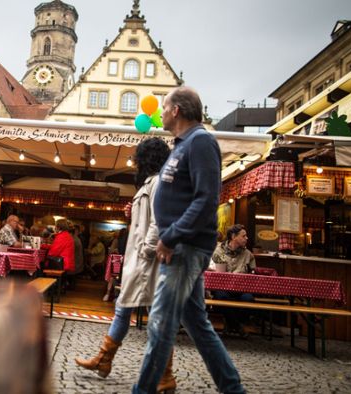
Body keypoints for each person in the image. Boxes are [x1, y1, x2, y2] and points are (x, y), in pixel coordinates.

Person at [132, 87, 245, 393]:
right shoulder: (182, 145)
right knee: (196, 323)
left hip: (185, 247)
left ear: (177, 110)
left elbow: (207, 199)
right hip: (181, 245)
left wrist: (171, 236)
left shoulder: (201, 142)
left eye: (164, 107)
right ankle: (233, 388)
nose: (161, 112)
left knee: (160, 325)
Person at [76, 137, 176, 392]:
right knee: (135, 311)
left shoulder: (156, 183)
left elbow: (158, 221)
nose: (134, 162)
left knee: (150, 315)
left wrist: (145, 251)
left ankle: (158, 374)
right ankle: (107, 360)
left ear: (146, 159)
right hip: (141, 260)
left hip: (147, 262)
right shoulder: (152, 183)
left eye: (138, 158)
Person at [211, 224, 256, 337]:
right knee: (221, 297)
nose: (246, 238)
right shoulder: (219, 252)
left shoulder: (248, 254)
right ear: (233, 236)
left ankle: (231, 324)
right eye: (243, 236)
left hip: (241, 288)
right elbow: (220, 276)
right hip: (223, 288)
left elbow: (252, 273)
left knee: (249, 299)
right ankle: (237, 326)